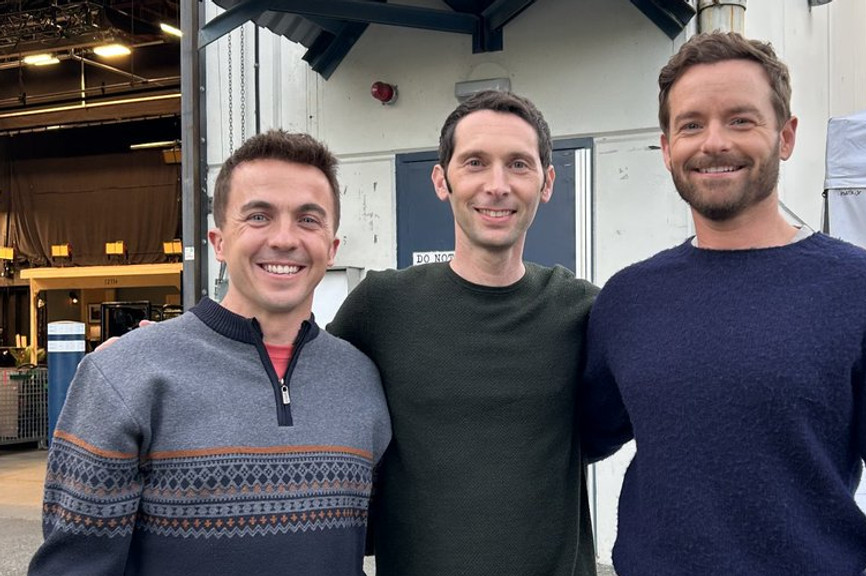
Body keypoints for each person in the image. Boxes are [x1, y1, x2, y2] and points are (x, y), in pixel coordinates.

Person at [580, 31, 866, 576]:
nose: (713, 142)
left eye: (740, 120)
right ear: (668, 146)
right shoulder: (628, 301)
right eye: (691, 124)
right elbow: (570, 436)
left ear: (786, 136)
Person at [29, 130, 391, 576]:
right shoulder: (123, 374)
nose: (283, 238)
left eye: (308, 219)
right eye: (258, 216)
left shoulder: (362, 379)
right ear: (218, 242)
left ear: (332, 247)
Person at [326, 90, 599, 576]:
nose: (497, 185)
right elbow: (302, 386)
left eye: (519, 164)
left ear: (547, 182)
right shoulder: (381, 306)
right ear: (441, 179)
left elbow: (614, 421)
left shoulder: (581, 310)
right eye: (475, 162)